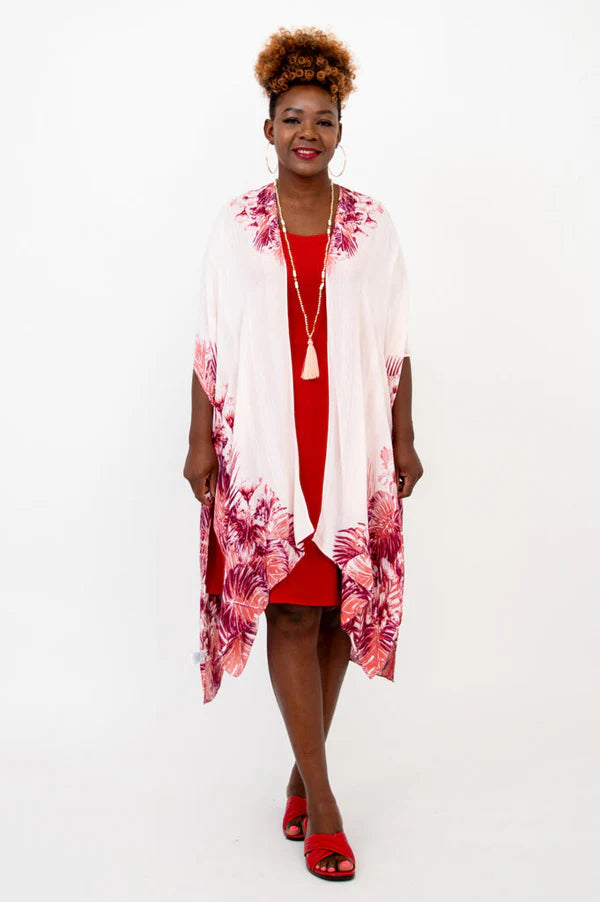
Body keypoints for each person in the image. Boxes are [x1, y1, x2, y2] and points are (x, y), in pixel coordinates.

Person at [183, 26, 424, 882]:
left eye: (323, 119)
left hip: (348, 437)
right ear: (269, 128)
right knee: (289, 610)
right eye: (293, 118)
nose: (308, 132)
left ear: (340, 130)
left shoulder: (373, 225)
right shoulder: (238, 226)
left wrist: (403, 436)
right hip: (267, 445)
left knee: (334, 615)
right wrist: (198, 439)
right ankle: (324, 804)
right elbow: (211, 338)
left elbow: (395, 339)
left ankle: (299, 771)